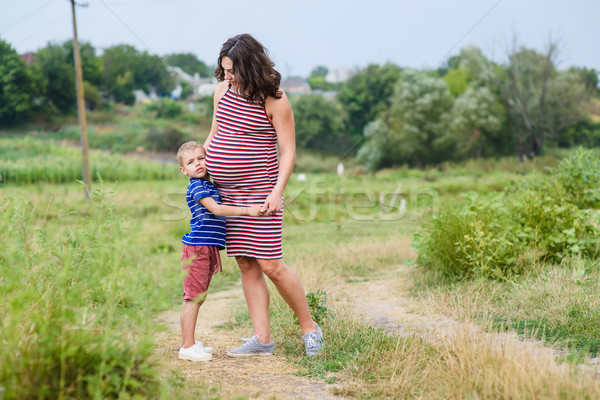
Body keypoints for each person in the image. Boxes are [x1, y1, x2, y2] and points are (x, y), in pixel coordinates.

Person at [204, 33, 324, 357]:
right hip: (226, 194)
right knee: (245, 262)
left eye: (232, 70)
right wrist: (199, 165)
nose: (227, 76)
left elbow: (288, 153)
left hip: (260, 193)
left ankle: (310, 329)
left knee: (271, 265)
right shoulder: (222, 91)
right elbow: (215, 134)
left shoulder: (275, 99)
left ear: (250, 65)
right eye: (224, 69)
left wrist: (276, 192)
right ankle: (263, 339)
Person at [177, 141, 263, 362]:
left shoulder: (209, 185)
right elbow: (216, 209)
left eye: (201, 158)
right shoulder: (196, 186)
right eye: (190, 161)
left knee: (199, 296)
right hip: (198, 247)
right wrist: (247, 210)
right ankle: (186, 346)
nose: (197, 164)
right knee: (193, 298)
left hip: (207, 247)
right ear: (183, 170)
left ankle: (191, 342)